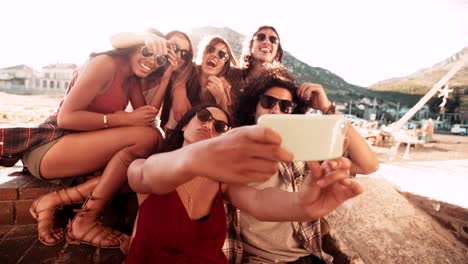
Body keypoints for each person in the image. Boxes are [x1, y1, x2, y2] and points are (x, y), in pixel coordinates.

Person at [124, 103, 362, 263]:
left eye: (220, 127)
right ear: (185, 123)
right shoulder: (149, 166)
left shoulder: (223, 184)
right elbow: (144, 175)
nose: (209, 126)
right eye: (204, 117)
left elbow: (260, 201)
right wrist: (200, 154)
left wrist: (302, 202)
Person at [0, 36, 170, 247]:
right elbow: (66, 117)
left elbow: (147, 119)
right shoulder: (105, 64)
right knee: (149, 140)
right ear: (131, 48)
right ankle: (85, 221)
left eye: (160, 59)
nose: (153, 61)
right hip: (51, 145)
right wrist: (122, 119)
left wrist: (165, 79)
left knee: (142, 161)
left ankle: (53, 200)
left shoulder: (131, 79)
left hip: (75, 149)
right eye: (147, 51)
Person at [226, 65, 379, 264]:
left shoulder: (303, 154)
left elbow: (369, 165)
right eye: (267, 101)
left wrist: (327, 109)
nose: (275, 110)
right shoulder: (233, 155)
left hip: (310, 255)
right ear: (253, 108)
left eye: (285, 106)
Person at [110, 29, 195, 122]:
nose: (178, 56)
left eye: (185, 54)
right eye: (175, 48)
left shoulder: (172, 78)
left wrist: (177, 85)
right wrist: (146, 37)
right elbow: (114, 39)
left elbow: (149, 116)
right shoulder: (138, 64)